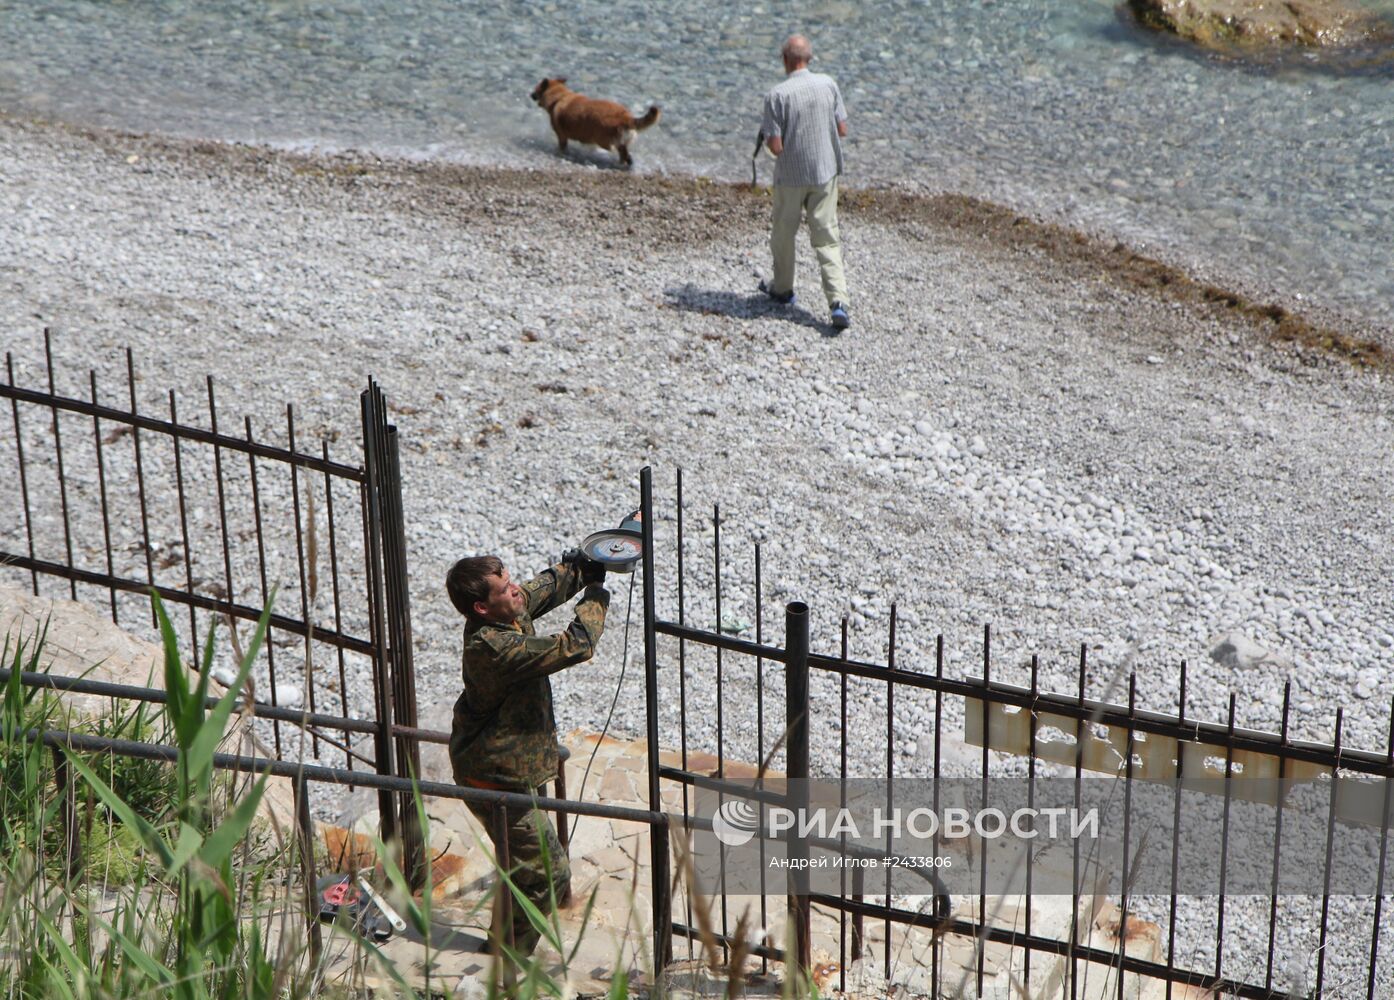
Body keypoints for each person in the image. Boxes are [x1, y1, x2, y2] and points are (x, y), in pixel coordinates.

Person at [446, 550, 609, 955]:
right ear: (482, 606)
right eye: (505, 587)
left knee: (525, 865)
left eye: (509, 578)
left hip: (515, 769)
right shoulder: (493, 646)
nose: (515, 587)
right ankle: (506, 958)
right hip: (495, 777)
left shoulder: (505, 609)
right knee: (545, 875)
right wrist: (596, 593)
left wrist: (585, 564)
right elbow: (576, 645)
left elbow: (543, 587)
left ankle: (504, 943)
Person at [759, 33, 852, 331]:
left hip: (791, 177)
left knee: (784, 234)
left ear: (785, 60)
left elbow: (776, 147)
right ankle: (838, 302)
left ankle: (783, 289)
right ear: (809, 58)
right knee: (827, 236)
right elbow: (842, 129)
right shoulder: (828, 84)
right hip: (825, 172)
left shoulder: (776, 95)